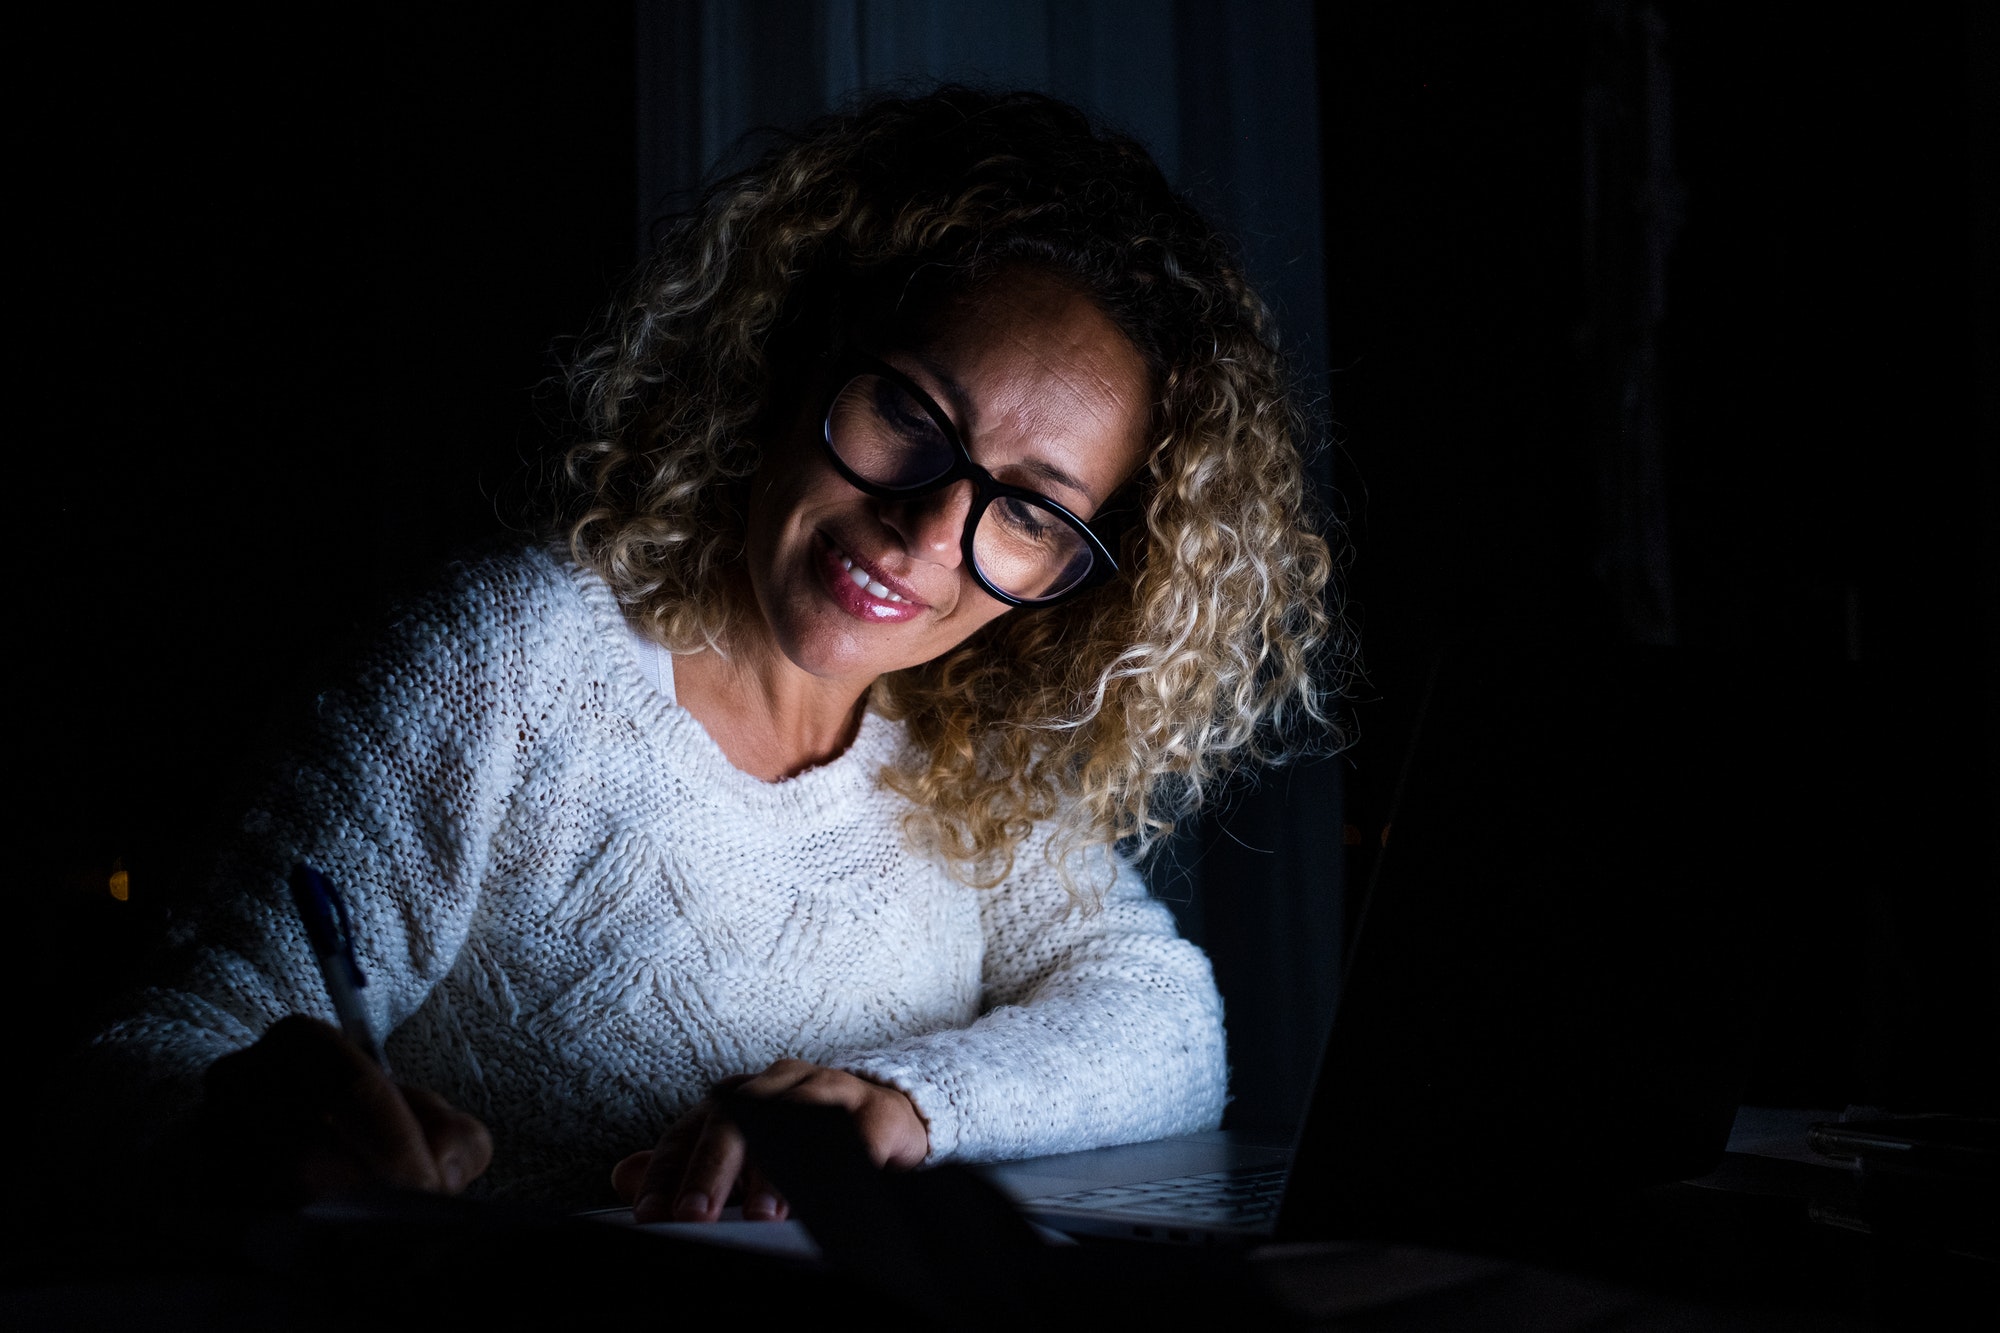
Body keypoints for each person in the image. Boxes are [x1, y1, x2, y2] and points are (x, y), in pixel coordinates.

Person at [79, 87, 1341, 1218]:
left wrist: (902, 1102)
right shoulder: (508, 663)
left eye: (1027, 508)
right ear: (791, 357)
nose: (923, 535)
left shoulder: (963, 738)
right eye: (909, 413)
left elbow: (1169, 1028)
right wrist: (233, 1132)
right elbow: (143, 1055)